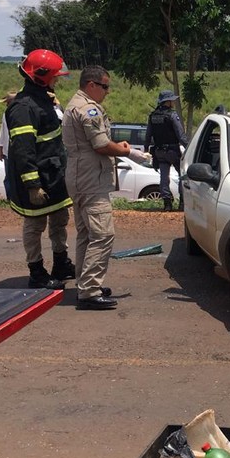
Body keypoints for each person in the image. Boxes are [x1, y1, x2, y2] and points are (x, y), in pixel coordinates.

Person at [62, 66, 136, 311]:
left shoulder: (74, 104)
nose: (108, 91)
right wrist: (124, 150)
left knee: (87, 234)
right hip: (90, 179)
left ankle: (86, 285)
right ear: (91, 85)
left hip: (79, 175)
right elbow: (101, 145)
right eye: (104, 86)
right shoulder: (88, 109)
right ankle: (90, 291)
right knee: (103, 234)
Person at [5, 50, 75, 290]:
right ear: (41, 76)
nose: (57, 80)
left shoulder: (42, 100)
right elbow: (24, 151)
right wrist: (33, 186)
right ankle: (37, 272)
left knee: (60, 220)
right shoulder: (24, 108)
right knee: (35, 226)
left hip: (54, 175)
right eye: (54, 76)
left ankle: (61, 263)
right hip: (37, 180)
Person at [144, 89, 188, 211]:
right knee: (182, 175)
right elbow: (181, 135)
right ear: (168, 102)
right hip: (172, 151)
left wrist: (146, 149)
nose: (173, 102)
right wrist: (189, 148)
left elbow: (148, 135)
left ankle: (167, 204)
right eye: (172, 100)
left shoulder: (152, 116)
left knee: (164, 177)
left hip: (159, 152)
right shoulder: (172, 115)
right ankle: (182, 203)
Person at [0, 91, 17, 161]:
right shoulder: (5, 114)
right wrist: (0, 148)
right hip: (7, 152)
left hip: (17, 152)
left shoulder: (21, 114)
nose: (6, 105)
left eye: (8, 102)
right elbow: (3, 132)